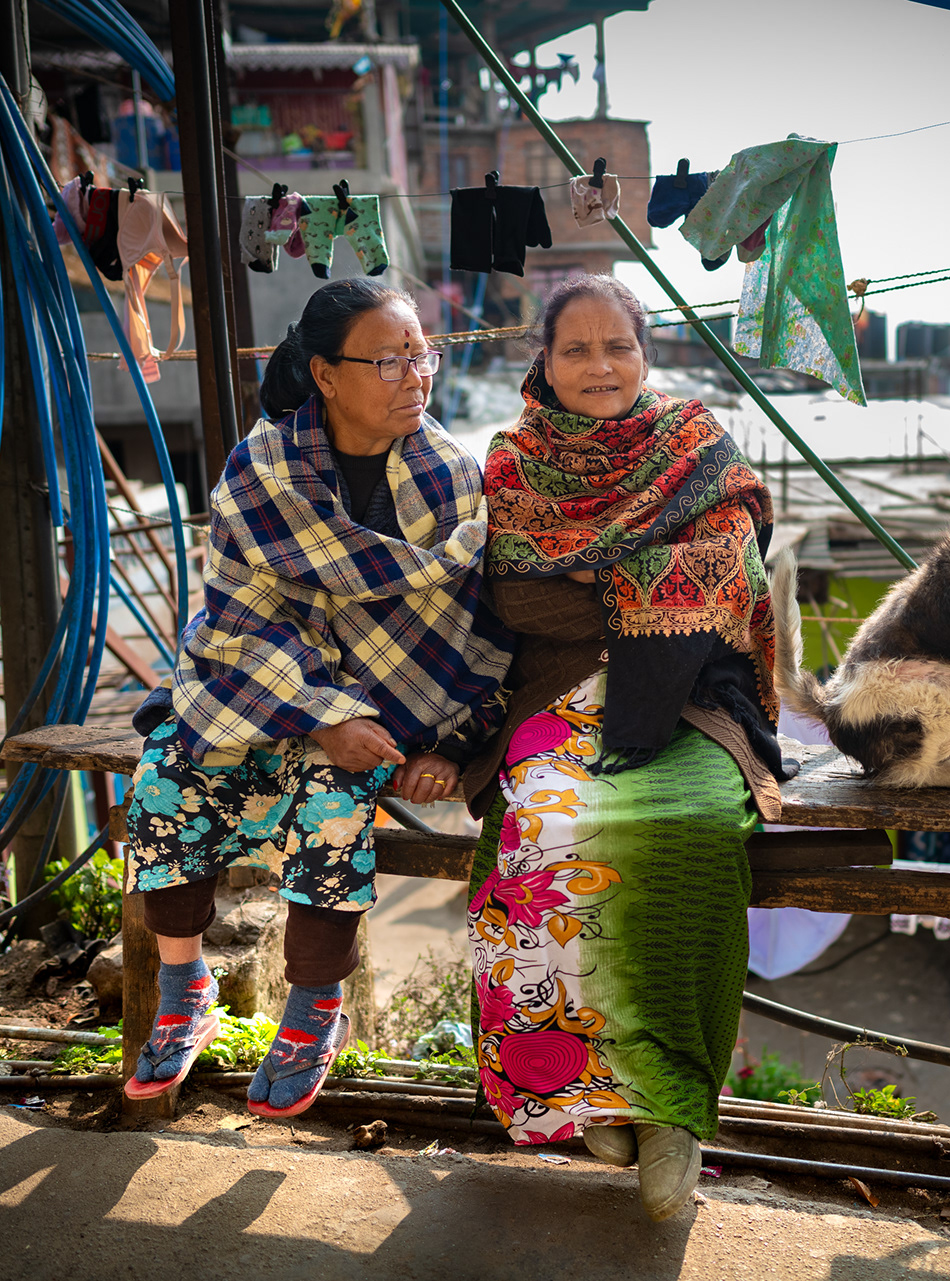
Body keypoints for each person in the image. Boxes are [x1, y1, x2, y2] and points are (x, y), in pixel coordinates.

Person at [122, 278, 513, 1118]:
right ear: (327, 374)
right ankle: (185, 986)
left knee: (334, 805)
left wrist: (445, 739)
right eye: (390, 360)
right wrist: (322, 711)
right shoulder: (262, 469)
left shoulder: (450, 477)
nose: (416, 377)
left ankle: (312, 1013)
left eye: (422, 355)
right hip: (259, 686)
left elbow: (473, 625)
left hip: (392, 705)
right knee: (162, 779)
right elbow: (236, 615)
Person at [462, 274, 788, 1219]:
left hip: (691, 703)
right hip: (557, 698)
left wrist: (608, 585)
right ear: (546, 360)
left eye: (619, 346)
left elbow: (736, 568)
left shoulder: (695, 443)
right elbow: (515, 593)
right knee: (541, 837)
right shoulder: (514, 460)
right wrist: (650, 584)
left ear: (645, 353)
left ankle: (672, 1112)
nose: (600, 366)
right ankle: (581, 1094)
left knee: (687, 834)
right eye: (578, 348)